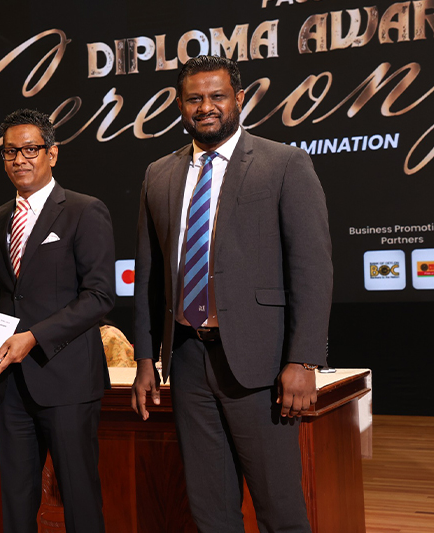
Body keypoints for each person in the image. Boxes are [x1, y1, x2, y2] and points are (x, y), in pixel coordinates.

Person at [131, 56, 333, 533]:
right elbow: (149, 275)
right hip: (186, 360)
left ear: (238, 99)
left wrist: (304, 360)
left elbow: (312, 268)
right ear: (180, 105)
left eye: (217, 96)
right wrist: (144, 358)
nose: (206, 107)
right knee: (211, 513)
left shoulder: (284, 163)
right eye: (194, 98)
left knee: (280, 512)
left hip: (260, 364)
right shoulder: (158, 173)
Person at [0, 109, 115, 533]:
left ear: (52, 153)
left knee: (79, 501)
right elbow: (13, 292)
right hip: (11, 384)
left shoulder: (84, 210)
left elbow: (100, 296)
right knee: (15, 503)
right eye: (11, 152)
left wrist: (34, 337)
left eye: (30, 149)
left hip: (67, 381)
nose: (20, 159)